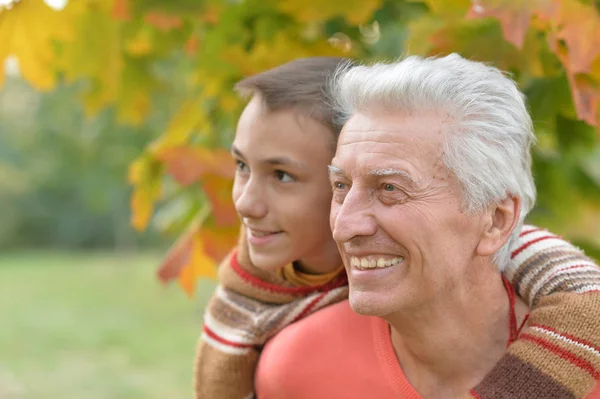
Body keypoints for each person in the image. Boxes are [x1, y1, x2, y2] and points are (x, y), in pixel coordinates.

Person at [195, 57, 600, 398]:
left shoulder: (581, 351)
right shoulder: (292, 370)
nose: (346, 225)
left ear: (495, 220)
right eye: (340, 186)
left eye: (390, 188)